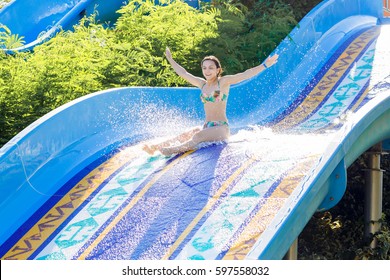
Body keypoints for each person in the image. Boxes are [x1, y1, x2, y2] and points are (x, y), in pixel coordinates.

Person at [143, 47, 279, 156]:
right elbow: (183, 73)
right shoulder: (202, 84)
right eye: (204, 68)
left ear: (218, 70)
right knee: (188, 132)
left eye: (211, 68)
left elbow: (244, 75)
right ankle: (155, 147)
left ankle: (172, 150)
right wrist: (170, 59)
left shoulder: (223, 83)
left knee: (198, 135)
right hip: (207, 126)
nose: (207, 71)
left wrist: (265, 65)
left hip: (221, 128)